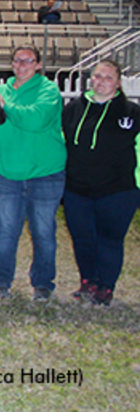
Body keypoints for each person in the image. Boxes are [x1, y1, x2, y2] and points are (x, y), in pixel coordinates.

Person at [0, 47, 65, 301]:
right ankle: (0, 282)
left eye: (28, 61)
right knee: (7, 231)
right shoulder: (1, 92)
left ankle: (43, 284)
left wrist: (5, 104)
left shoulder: (48, 91)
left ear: (38, 64)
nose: (21, 65)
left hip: (45, 174)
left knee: (43, 232)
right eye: (17, 60)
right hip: (8, 174)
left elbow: (35, 120)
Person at [62, 60, 140, 306]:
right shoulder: (73, 109)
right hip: (77, 190)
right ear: (90, 80)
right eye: (98, 76)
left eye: (108, 78)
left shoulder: (132, 113)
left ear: (118, 83)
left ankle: (106, 286)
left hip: (119, 190)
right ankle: (88, 281)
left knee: (110, 239)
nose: (102, 81)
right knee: (82, 238)